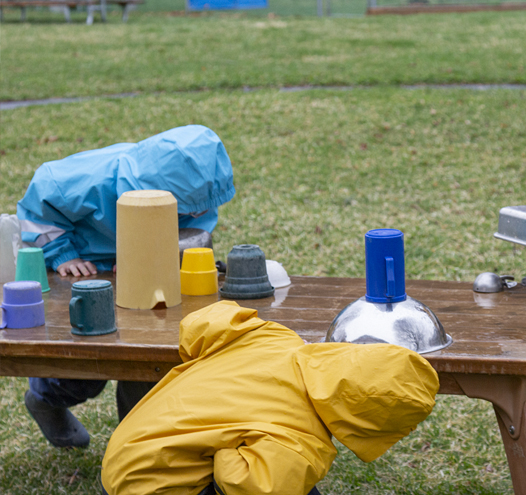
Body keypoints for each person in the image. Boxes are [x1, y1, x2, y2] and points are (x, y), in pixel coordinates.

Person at [17, 124, 236, 449]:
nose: (201, 212)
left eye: (201, 207)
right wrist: (61, 254)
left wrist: (154, 255)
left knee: (150, 357)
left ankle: (137, 444)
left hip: (146, 279)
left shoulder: (196, 194)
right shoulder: (83, 181)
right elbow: (38, 210)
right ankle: (46, 400)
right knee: (83, 361)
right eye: (193, 207)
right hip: (81, 274)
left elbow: (192, 230)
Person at [100, 300, 439, 495]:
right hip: (147, 486)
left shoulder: (275, 338)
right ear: (373, 425)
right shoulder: (301, 442)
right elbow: (239, 482)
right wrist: (226, 447)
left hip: (124, 447)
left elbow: (204, 323)